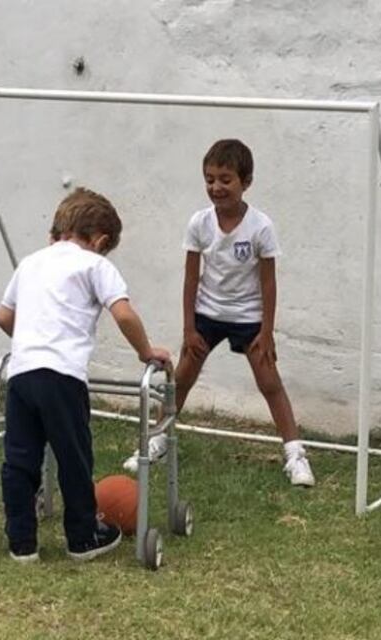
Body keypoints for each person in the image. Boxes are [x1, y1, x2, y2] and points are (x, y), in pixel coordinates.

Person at [123, 139, 315, 487]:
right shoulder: (199, 223)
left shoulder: (261, 227)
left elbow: (269, 284)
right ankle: (156, 441)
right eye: (210, 179)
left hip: (249, 318)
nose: (216, 187)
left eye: (225, 179)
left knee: (269, 383)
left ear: (246, 182)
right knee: (180, 379)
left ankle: (295, 455)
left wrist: (267, 331)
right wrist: (188, 329)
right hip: (206, 315)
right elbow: (190, 277)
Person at [0, 187, 171, 563]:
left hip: (22, 372)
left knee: (19, 457)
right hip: (62, 376)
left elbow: (4, 317)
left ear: (56, 231)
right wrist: (146, 351)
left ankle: (21, 541)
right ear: (100, 241)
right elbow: (123, 314)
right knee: (73, 456)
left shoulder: (29, 263)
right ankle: (82, 537)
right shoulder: (96, 265)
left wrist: (33, 339)